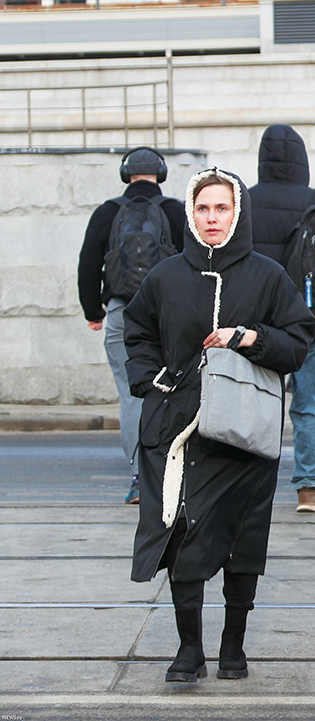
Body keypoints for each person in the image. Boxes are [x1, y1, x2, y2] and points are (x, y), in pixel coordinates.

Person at [124, 168, 314, 682]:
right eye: (203, 208)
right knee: (182, 535)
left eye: (222, 208)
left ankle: (233, 646)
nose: (212, 218)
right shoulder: (165, 276)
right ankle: (189, 649)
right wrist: (152, 382)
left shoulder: (268, 275)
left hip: (245, 434)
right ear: (190, 212)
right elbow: (136, 332)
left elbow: (298, 342)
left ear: (238, 213)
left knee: (242, 540)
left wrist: (249, 338)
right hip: (178, 431)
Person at [247, 124, 315, 513]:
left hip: (258, 324)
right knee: (309, 403)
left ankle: (251, 485)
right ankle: (308, 488)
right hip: (310, 323)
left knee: (257, 401)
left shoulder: (246, 201)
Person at [77, 146, 186, 504]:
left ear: (126, 175)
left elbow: (88, 263)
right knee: (175, 392)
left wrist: (94, 311)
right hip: (169, 314)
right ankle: (172, 470)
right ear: (161, 174)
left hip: (122, 312)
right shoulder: (174, 210)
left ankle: (141, 478)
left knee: (131, 396)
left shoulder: (107, 212)